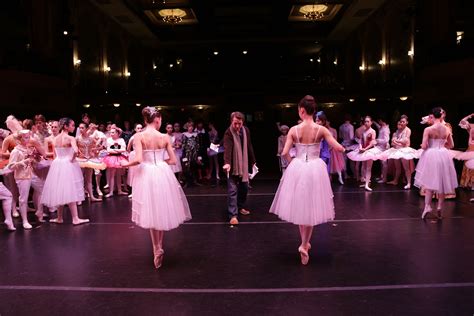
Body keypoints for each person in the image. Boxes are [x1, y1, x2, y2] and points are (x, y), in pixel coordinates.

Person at [270, 95, 344, 265]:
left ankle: (304, 243)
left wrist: (293, 164)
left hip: (298, 168)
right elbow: (336, 146)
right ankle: (304, 245)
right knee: (310, 208)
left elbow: (284, 152)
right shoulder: (321, 130)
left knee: (301, 207)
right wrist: (343, 149)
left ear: (302, 111)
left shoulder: (294, 130)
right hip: (315, 169)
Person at [121, 107, 191, 269]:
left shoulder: (139, 136)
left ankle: (156, 248)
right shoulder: (165, 137)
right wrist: (160, 163)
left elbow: (138, 159)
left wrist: (126, 164)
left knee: (152, 210)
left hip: (147, 174)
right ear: (157, 120)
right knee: (160, 210)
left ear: (145, 120)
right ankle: (159, 245)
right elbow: (173, 161)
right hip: (162, 172)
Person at [40, 118, 89, 225]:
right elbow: (76, 151)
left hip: (58, 163)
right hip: (67, 163)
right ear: (66, 126)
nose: (73, 127)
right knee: (70, 190)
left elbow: (54, 154)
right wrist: (71, 159)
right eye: (72, 125)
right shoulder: (70, 138)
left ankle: (59, 217)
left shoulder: (55, 138)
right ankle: (75, 218)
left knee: (60, 190)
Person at [415, 107, 458, 219]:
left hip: (431, 155)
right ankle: (439, 207)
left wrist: (424, 146)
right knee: (442, 183)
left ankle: (427, 206)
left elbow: (424, 146)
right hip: (443, 155)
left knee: (429, 182)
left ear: (432, 116)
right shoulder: (447, 129)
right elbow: (451, 145)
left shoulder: (428, 129)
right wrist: (442, 145)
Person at [223, 111, 256, 225]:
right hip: (232, 166)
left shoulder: (246, 131)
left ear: (243, 123)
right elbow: (227, 148)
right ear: (231, 121)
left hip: (243, 165)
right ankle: (233, 215)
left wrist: (253, 162)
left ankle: (240, 206)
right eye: (235, 123)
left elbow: (249, 146)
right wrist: (227, 163)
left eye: (239, 123)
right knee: (232, 191)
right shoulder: (228, 133)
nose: (237, 126)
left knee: (244, 188)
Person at [7, 130, 46, 228]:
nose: (28, 139)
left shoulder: (27, 148)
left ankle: (39, 211)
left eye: (28, 137)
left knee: (42, 188)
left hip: (30, 173)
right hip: (22, 176)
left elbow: (33, 160)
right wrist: (21, 162)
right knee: (23, 198)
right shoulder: (16, 151)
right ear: (20, 139)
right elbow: (10, 166)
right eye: (25, 137)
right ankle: (25, 220)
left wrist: (35, 158)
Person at [380, 115, 418, 189]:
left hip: (404, 150)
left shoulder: (408, 130)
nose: (402, 123)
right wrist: (397, 142)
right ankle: (395, 180)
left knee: (406, 167)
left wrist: (397, 141)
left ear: (407, 122)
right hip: (397, 150)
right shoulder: (398, 131)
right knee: (397, 167)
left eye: (403, 122)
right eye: (401, 122)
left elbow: (405, 141)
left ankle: (409, 183)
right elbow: (393, 142)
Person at [347, 116, 381, 191]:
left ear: (371, 122)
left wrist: (365, 149)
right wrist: (360, 147)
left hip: (370, 151)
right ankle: (366, 181)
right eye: (365, 121)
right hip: (363, 150)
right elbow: (361, 141)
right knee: (364, 167)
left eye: (368, 121)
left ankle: (367, 184)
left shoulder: (373, 131)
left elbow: (372, 143)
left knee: (368, 168)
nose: (366, 123)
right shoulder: (364, 131)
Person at [76, 122, 105, 202]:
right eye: (80, 128)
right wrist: (78, 153)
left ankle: (91, 196)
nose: (81, 129)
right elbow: (75, 149)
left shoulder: (91, 138)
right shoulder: (77, 138)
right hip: (80, 160)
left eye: (82, 128)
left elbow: (100, 146)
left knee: (89, 179)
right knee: (80, 179)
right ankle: (79, 198)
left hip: (89, 159)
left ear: (86, 129)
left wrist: (94, 151)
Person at [458, 113, 474, 190]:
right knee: (470, 166)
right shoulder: (471, 125)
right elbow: (462, 121)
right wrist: (470, 116)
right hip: (471, 147)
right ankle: (470, 183)